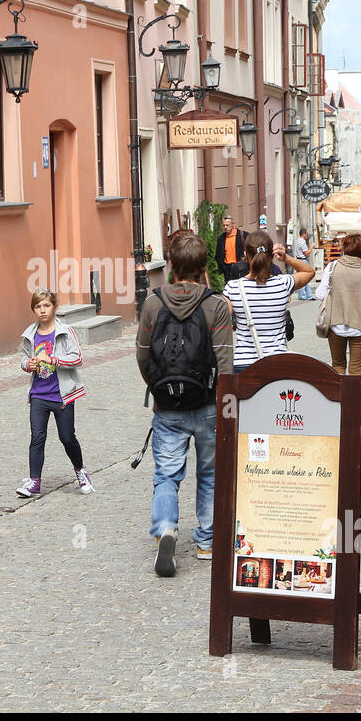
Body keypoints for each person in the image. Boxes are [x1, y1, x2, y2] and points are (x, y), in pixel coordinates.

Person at [136, 232, 234, 577]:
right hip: (208, 405)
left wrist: (158, 390)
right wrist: (226, 406)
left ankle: (165, 528)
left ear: (172, 265)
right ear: (204, 266)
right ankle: (207, 541)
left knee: (166, 474)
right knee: (210, 474)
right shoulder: (217, 304)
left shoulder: (152, 303)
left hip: (168, 407)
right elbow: (225, 362)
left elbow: (143, 355)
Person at [15, 288, 94, 498]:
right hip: (39, 394)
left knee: (67, 438)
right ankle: (34, 481)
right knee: (37, 437)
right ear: (33, 309)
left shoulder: (65, 331)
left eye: (46, 306)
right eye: (38, 307)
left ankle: (80, 471)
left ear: (54, 307)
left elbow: (77, 358)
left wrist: (54, 360)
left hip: (62, 394)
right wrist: (28, 364)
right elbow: (23, 358)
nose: (42, 310)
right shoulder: (29, 334)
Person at [223, 232, 315, 373]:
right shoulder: (283, 283)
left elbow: (221, 318)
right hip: (277, 362)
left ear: (245, 255)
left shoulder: (233, 287)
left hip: (243, 364)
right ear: (271, 255)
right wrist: (286, 258)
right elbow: (309, 272)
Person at [315, 233, 361, 376]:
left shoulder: (333, 266)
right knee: (356, 371)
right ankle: (354, 399)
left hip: (335, 324)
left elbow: (320, 294)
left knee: (338, 366)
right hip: (360, 326)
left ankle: (338, 398)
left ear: (345, 249)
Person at [214, 215, 249, 285]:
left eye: (227, 225)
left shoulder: (244, 235)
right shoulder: (221, 238)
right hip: (227, 269)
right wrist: (223, 267)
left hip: (241, 268)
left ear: (233, 224)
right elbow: (218, 255)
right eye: (223, 225)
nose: (225, 227)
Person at [292, 228, 316, 301]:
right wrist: (311, 247)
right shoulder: (302, 242)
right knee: (305, 278)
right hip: (303, 260)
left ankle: (306, 295)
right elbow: (306, 253)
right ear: (304, 234)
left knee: (302, 278)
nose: (307, 235)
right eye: (306, 234)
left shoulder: (297, 241)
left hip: (298, 260)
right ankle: (304, 295)